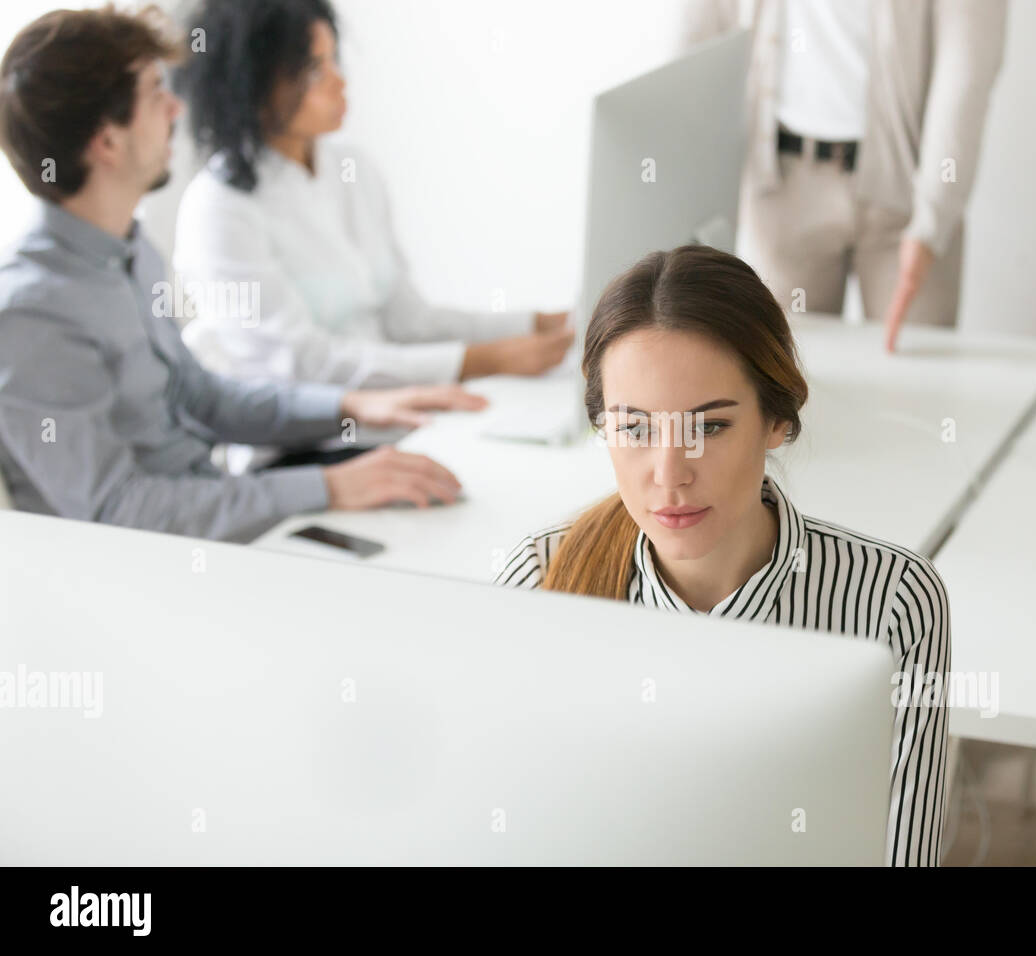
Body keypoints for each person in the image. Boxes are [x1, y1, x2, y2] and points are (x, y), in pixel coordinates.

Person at [494, 244, 951, 866]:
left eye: (707, 427)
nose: (669, 475)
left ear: (777, 421)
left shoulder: (891, 604)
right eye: (635, 428)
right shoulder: (537, 581)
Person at [0, 6, 478, 543]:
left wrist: (349, 405)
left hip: (215, 521)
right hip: (147, 570)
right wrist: (329, 487)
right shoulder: (30, 313)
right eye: (157, 92)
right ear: (107, 141)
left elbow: (200, 396)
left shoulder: (130, 251)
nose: (177, 107)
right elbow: (117, 509)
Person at [171, 0, 573, 398]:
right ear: (252, 86)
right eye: (314, 69)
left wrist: (537, 324)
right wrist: (484, 361)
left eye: (334, 60)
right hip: (309, 445)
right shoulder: (218, 207)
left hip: (400, 416)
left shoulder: (353, 170)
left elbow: (407, 320)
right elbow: (305, 364)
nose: (339, 81)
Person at [678, 0, 1006, 351]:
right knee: (788, 380)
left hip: (907, 190)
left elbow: (966, 69)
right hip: (783, 188)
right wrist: (692, 196)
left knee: (918, 371)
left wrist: (932, 221)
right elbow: (695, 38)